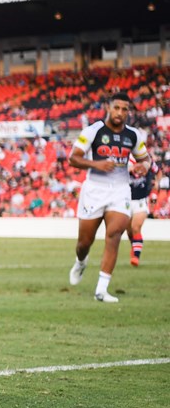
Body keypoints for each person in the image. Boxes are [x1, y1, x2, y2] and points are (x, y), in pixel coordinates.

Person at [68, 93, 150, 302]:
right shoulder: (93, 131)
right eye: (117, 108)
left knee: (114, 235)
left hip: (120, 189)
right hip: (95, 189)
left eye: (124, 110)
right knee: (84, 242)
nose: (120, 113)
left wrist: (143, 166)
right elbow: (73, 158)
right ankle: (81, 261)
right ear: (108, 107)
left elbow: (145, 159)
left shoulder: (133, 135)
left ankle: (101, 290)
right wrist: (97, 164)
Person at [127, 156, 161, 266]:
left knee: (136, 227)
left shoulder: (147, 159)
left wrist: (156, 185)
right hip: (125, 199)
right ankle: (134, 246)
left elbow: (158, 172)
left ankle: (136, 257)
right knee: (129, 231)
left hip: (141, 199)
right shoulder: (124, 158)